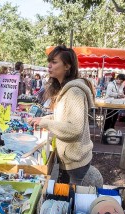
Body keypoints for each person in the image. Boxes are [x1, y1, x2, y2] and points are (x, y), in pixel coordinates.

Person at [28, 45, 95, 185]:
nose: (49, 66)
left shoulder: (74, 92)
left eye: (54, 62)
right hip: (70, 159)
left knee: (70, 201)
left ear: (67, 66)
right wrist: (43, 119)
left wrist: (45, 123)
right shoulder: (65, 90)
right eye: (49, 62)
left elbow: (74, 129)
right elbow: (62, 118)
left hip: (76, 162)